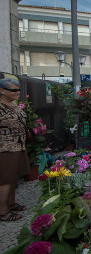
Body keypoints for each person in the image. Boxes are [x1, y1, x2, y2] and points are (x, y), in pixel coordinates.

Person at [0, 78, 31, 221]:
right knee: (5, 179)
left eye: (18, 90)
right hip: (5, 148)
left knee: (14, 178)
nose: (17, 92)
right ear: (2, 91)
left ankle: (11, 203)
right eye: (14, 90)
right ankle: (3, 211)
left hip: (19, 145)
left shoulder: (13, 105)